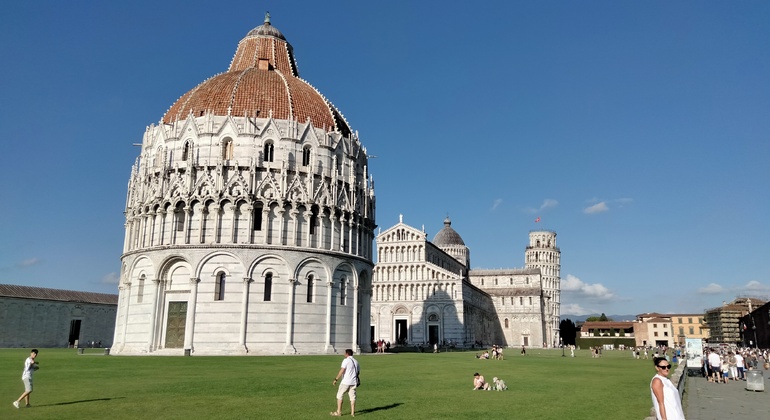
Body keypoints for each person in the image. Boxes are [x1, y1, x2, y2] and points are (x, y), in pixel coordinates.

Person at [331, 349, 359, 417]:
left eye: (344, 353)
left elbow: (342, 370)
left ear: (347, 354)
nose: (344, 354)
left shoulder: (346, 360)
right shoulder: (356, 361)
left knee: (339, 395)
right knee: (352, 397)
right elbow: (358, 372)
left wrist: (336, 379)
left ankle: (338, 412)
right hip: (353, 382)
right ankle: (352, 413)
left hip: (346, 382)